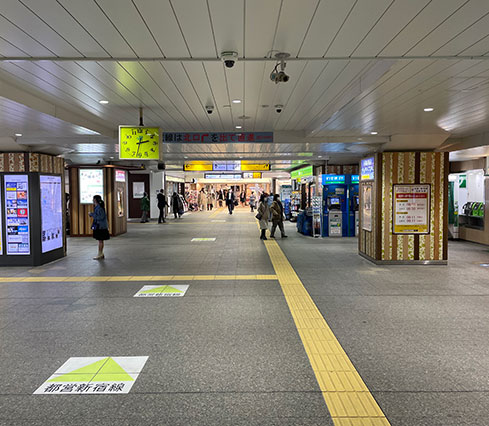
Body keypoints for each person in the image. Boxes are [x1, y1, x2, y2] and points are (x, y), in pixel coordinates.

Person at [89, 195, 109, 260]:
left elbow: (100, 217)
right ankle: (101, 253)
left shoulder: (99, 208)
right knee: (100, 241)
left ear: (95, 200)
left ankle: (100, 254)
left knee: (100, 240)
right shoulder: (98, 207)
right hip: (101, 226)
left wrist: (92, 215)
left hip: (100, 227)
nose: (92, 200)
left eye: (93, 199)